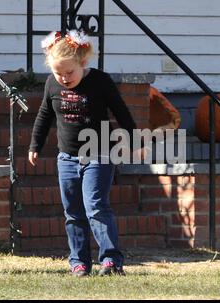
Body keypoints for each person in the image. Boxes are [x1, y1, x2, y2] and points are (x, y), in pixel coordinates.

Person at [28, 30, 143, 277]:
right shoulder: (52, 84)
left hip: (99, 153)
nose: (64, 78)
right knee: (73, 212)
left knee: (96, 206)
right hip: (66, 158)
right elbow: (44, 116)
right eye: (58, 73)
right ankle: (78, 262)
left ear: (82, 62)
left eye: (69, 72)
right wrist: (35, 146)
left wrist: (135, 139)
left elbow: (120, 110)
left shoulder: (100, 81)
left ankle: (111, 260)